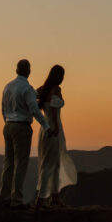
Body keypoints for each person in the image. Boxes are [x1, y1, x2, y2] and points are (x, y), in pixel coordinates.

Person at [0, 59, 50, 208]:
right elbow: (34, 109)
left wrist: (8, 121)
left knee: (8, 163)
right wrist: (46, 126)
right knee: (21, 164)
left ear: (16, 70)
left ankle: (5, 197)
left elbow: (3, 108)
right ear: (29, 71)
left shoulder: (8, 86)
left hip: (8, 126)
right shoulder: (27, 89)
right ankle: (17, 200)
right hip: (22, 127)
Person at [34, 64, 77, 209]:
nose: (63, 78)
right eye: (62, 75)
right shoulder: (56, 89)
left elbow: (32, 96)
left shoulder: (43, 89)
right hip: (54, 127)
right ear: (58, 76)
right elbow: (53, 107)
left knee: (52, 162)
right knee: (51, 163)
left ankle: (54, 196)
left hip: (44, 128)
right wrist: (56, 127)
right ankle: (42, 199)